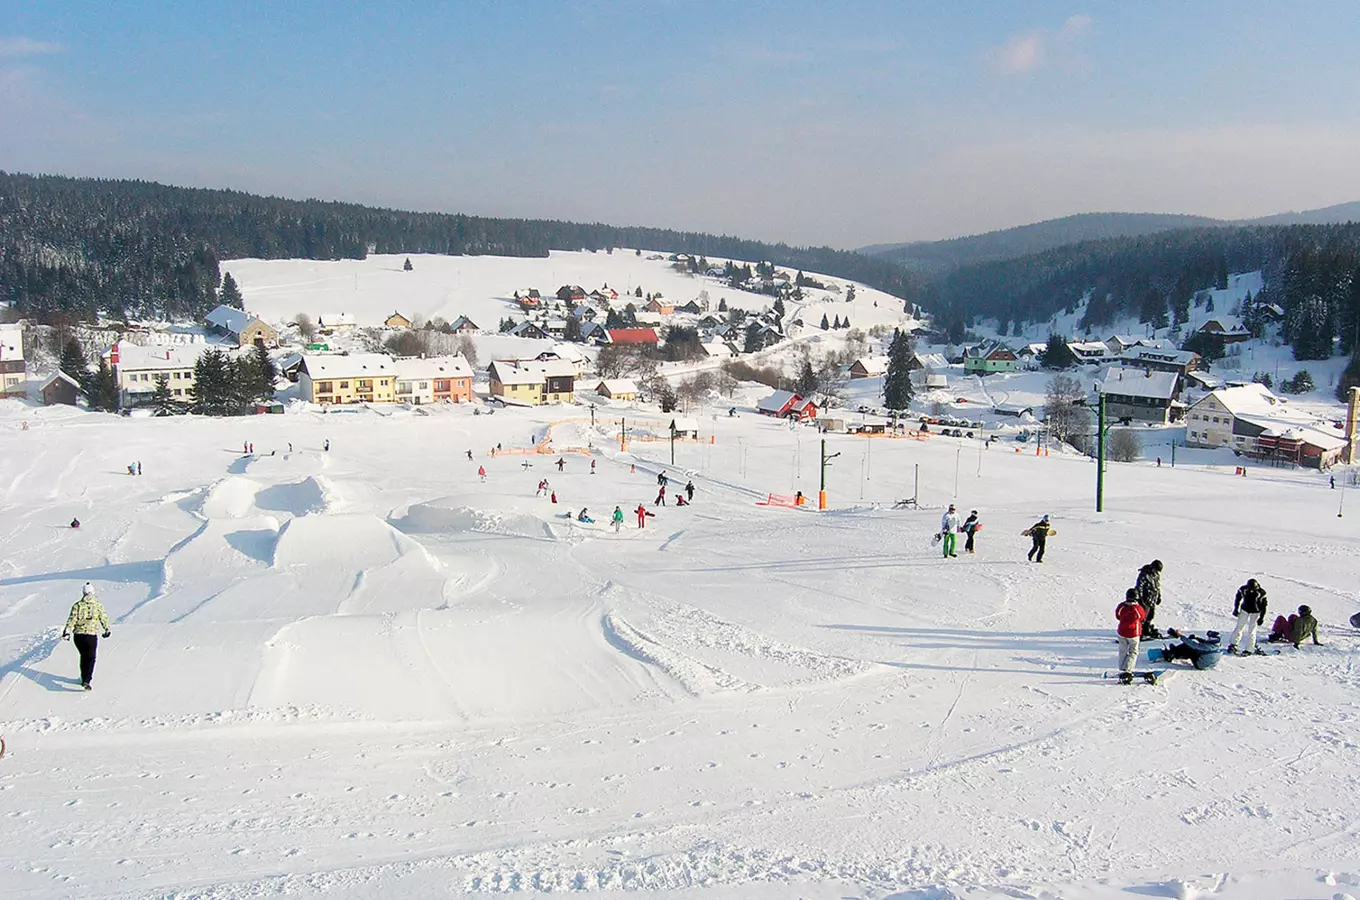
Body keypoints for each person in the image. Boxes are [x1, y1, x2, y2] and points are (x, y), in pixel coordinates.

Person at [61, 582, 110, 691]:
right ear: (93, 592)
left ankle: (83, 677)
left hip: (78, 636)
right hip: (91, 636)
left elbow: (72, 619)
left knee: (83, 656)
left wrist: (67, 631)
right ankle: (86, 680)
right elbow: (103, 618)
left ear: (83, 593)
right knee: (91, 657)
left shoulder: (77, 605)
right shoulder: (98, 606)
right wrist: (107, 630)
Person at [1228, 578, 1268, 655]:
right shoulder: (1243, 589)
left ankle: (1250, 648)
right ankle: (1233, 644)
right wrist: (1236, 609)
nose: (1251, 591)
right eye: (1250, 589)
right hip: (1245, 609)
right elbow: (1238, 598)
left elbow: (1264, 606)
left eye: (1253, 589)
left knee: (1252, 630)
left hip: (1255, 612)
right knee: (1239, 627)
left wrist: (1262, 618)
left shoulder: (1261, 593)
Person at [1115, 588, 1147, 684]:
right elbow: (1142, 617)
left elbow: (1118, 615)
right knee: (1133, 651)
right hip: (1133, 633)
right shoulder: (1137, 608)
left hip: (1122, 631)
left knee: (1122, 651)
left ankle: (1121, 667)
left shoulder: (1122, 606)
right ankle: (1127, 670)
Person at [1133, 560, 1164, 639]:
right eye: (1156, 570)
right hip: (1145, 599)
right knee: (1143, 616)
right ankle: (1139, 631)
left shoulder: (1156, 575)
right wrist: (1140, 599)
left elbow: (1157, 586)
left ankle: (1146, 629)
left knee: (1150, 615)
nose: (1157, 572)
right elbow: (1139, 586)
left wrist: (1158, 596)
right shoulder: (1144, 574)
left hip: (1152, 598)